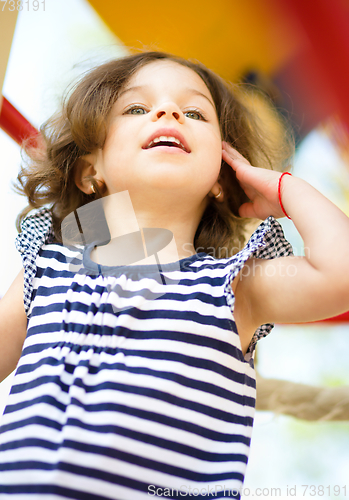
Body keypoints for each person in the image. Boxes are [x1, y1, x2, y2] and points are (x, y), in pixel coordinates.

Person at [0, 50, 349, 500]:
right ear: (91, 171)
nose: (168, 112)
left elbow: (340, 274)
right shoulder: (52, 265)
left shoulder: (231, 287)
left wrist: (284, 188)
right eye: (137, 108)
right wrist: (85, 222)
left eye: (195, 113)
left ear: (221, 176)